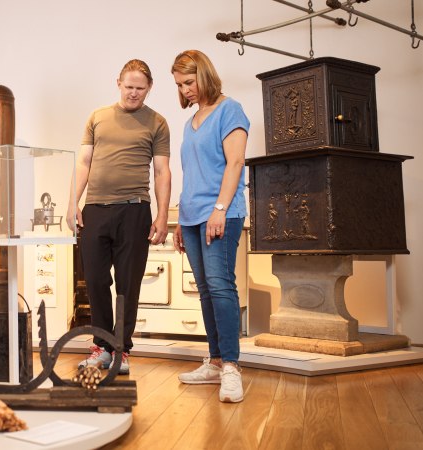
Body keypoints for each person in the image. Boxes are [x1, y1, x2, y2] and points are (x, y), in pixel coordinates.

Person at [67, 59, 171, 375]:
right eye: (129, 87)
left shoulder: (157, 122)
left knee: (128, 284)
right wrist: (72, 202)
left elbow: (162, 170)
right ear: (118, 83)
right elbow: (84, 161)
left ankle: (121, 351)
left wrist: (163, 214)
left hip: (135, 210)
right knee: (96, 281)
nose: (134, 94)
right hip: (96, 209)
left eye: (140, 88)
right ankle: (101, 347)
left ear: (149, 88)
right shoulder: (97, 117)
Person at [170, 50, 249, 403]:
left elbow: (235, 163)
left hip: (221, 214)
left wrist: (219, 209)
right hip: (191, 216)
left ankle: (231, 367)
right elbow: (192, 175)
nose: (185, 89)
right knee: (205, 290)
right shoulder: (191, 121)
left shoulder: (230, 110)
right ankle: (215, 361)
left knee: (220, 286)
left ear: (204, 74)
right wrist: (179, 218)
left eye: (189, 81)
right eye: (179, 84)